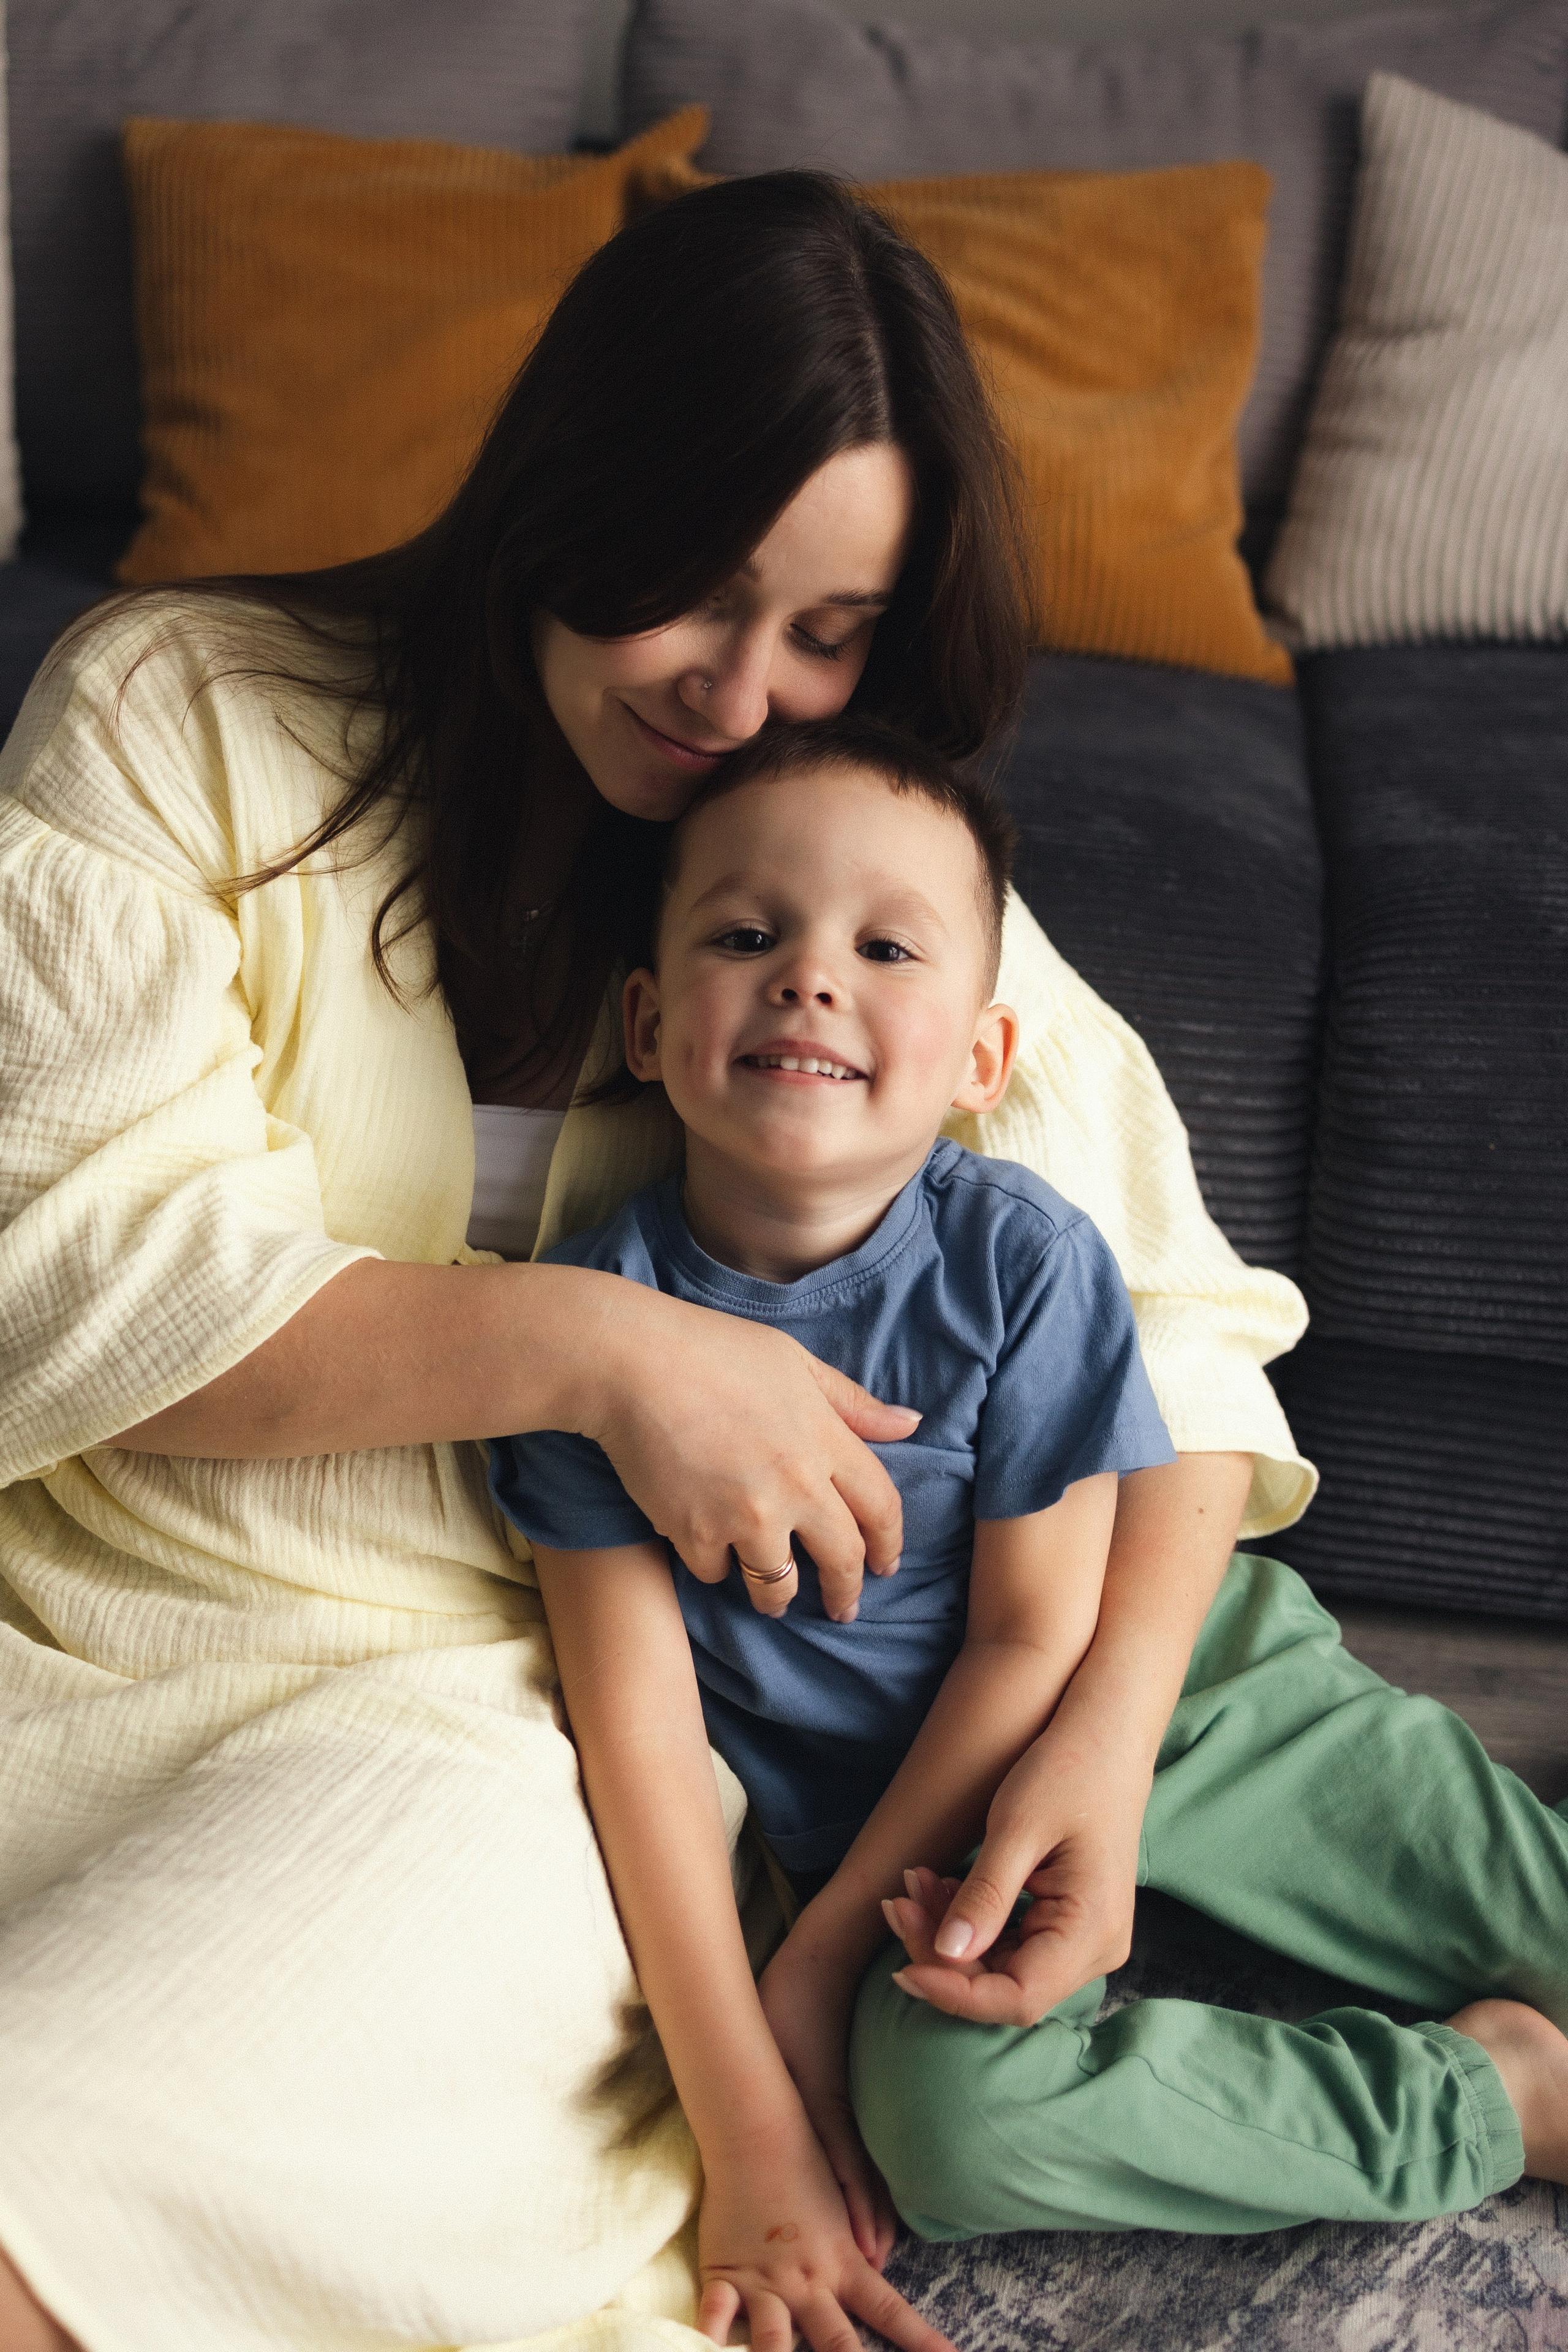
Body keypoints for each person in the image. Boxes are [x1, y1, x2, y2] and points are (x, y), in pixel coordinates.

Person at [0, 158, 1472, 2352]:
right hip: (90, 1619)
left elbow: (1164, 1330)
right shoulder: (175, 713)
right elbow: (68, 1269)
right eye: (692, 588)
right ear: (559, 495)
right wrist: (602, 1354)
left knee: (86, 2153)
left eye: (833, 631)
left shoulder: (837, 863)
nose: (741, 693)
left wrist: (1097, 1735)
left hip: (518, 1720)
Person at [489, 716, 1180, 2348]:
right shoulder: (586, 1329)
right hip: (902, 1855)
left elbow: (1037, 1634)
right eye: (748, 935)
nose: (810, 977)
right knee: (952, 2136)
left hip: (1188, 1707)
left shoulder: (1025, 1262)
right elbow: (640, 1737)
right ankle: (1484, 2097)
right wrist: (746, 2118)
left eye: (884, 947)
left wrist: (804, 1975)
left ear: (984, 1061)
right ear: (648, 1025)